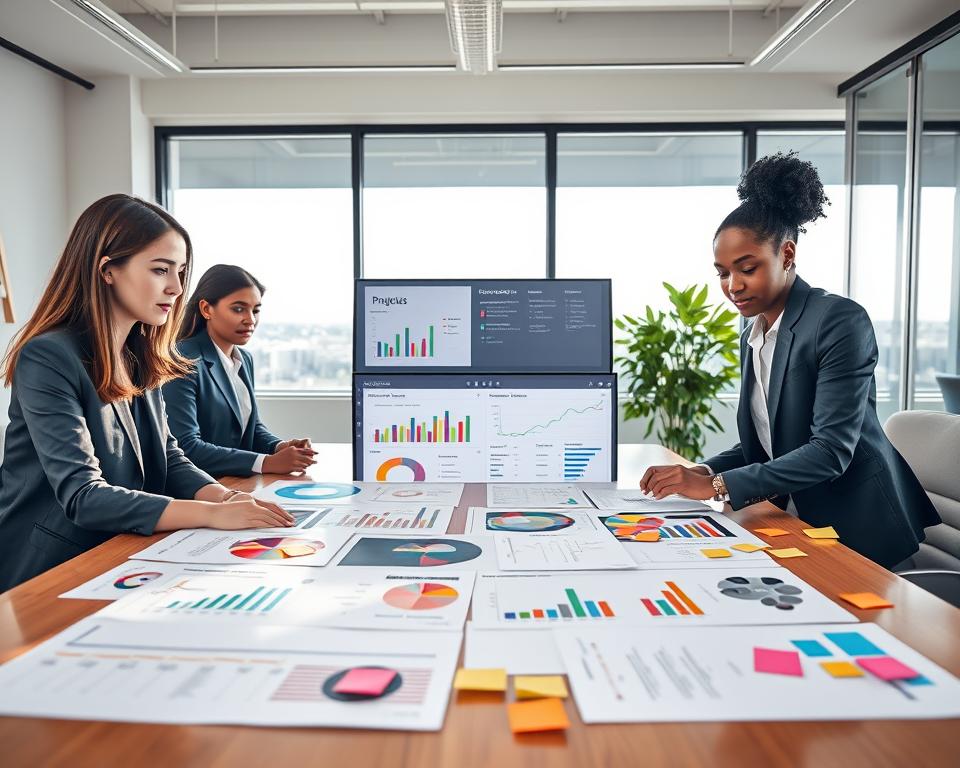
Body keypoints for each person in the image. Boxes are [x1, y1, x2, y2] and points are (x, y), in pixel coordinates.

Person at [639, 152, 939, 568]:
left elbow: (830, 451)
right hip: (794, 522)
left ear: (788, 254)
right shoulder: (754, 329)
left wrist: (717, 485)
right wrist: (702, 472)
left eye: (747, 268)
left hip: (856, 533)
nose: (732, 285)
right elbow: (765, 443)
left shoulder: (838, 320)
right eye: (722, 273)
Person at [0, 195, 294, 592]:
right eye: (160, 270)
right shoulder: (49, 356)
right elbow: (83, 495)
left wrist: (225, 499)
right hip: (53, 567)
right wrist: (208, 513)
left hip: (123, 550)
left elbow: (169, 457)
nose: (176, 288)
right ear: (108, 270)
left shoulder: (141, 353)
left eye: (181, 272)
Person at [162, 264, 316, 478]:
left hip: (235, 483)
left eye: (255, 310)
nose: (250, 320)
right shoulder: (182, 359)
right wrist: (267, 462)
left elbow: (250, 428)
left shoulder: (244, 359)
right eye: (238, 309)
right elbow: (186, 447)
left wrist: (280, 447)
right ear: (206, 309)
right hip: (196, 490)